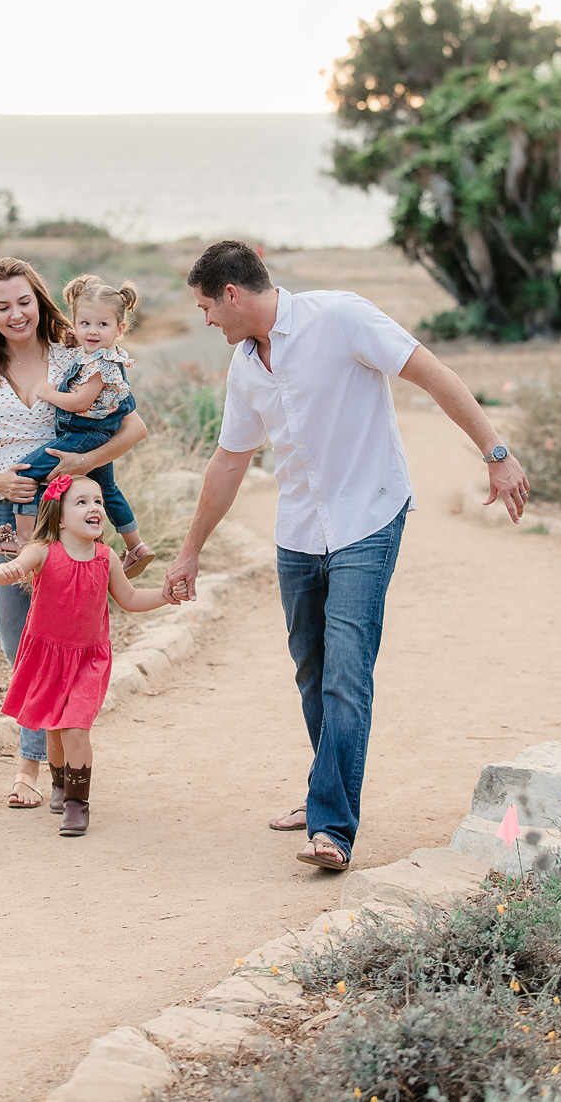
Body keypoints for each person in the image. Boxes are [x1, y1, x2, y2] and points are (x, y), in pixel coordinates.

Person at [163, 240, 530, 872]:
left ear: (232, 294)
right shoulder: (246, 366)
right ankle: (323, 789)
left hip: (369, 515)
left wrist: (496, 454)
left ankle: (332, 827)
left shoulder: (341, 317)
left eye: (205, 308)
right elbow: (229, 460)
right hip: (299, 529)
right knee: (311, 670)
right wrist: (189, 551)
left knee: (346, 671)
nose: (206, 322)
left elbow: (432, 373)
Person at [0, 256, 148, 810]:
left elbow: (133, 427)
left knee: (60, 639)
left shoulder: (75, 355)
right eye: (2, 305)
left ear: (39, 301)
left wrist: (75, 469)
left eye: (23, 301)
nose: (15, 314)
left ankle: (37, 772)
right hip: (2, 515)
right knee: (21, 640)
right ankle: (43, 763)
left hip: (63, 515)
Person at [0, 474, 181, 836]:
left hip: (88, 659)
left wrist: (164, 596)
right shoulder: (44, 550)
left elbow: (128, 599)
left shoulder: (106, 557)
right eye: (81, 502)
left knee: (76, 728)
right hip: (47, 656)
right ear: (59, 516)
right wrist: (9, 569)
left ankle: (77, 804)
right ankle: (60, 784)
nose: (94, 507)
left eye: (97, 501)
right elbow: (14, 567)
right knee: (54, 730)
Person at [0, 273, 156, 578]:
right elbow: (81, 339)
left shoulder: (100, 364)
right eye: (85, 324)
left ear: (120, 329)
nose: (92, 332)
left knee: (26, 470)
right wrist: (75, 338)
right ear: (75, 325)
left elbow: (80, 403)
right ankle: (136, 545)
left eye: (102, 325)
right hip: (90, 434)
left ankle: (23, 538)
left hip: (83, 435)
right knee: (108, 488)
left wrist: (50, 393)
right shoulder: (88, 353)